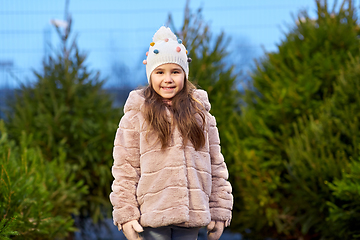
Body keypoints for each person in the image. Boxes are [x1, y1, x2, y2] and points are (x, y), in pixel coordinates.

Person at [110, 26, 233, 240]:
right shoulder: (136, 117)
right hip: (152, 218)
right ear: (150, 75)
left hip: (191, 217)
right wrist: (126, 215)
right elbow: (125, 170)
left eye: (175, 72)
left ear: (184, 74)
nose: (168, 79)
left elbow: (216, 166)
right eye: (160, 72)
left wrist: (220, 210)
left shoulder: (200, 115)